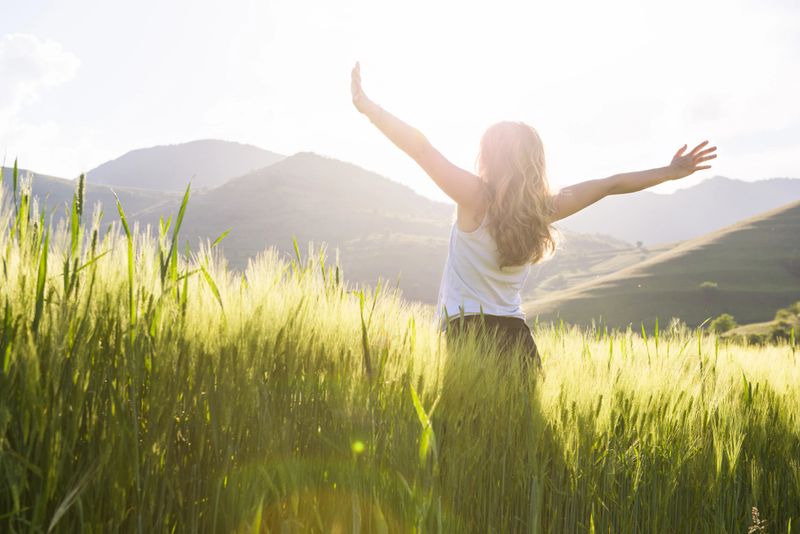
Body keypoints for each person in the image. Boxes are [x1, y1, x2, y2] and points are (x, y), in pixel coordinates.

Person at [350, 61, 717, 370]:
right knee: (520, 444)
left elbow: (422, 150)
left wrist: (369, 109)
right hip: (517, 338)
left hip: (467, 334)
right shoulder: (544, 209)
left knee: (465, 440)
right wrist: (668, 172)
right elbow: (610, 184)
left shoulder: (474, 196)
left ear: (488, 157)